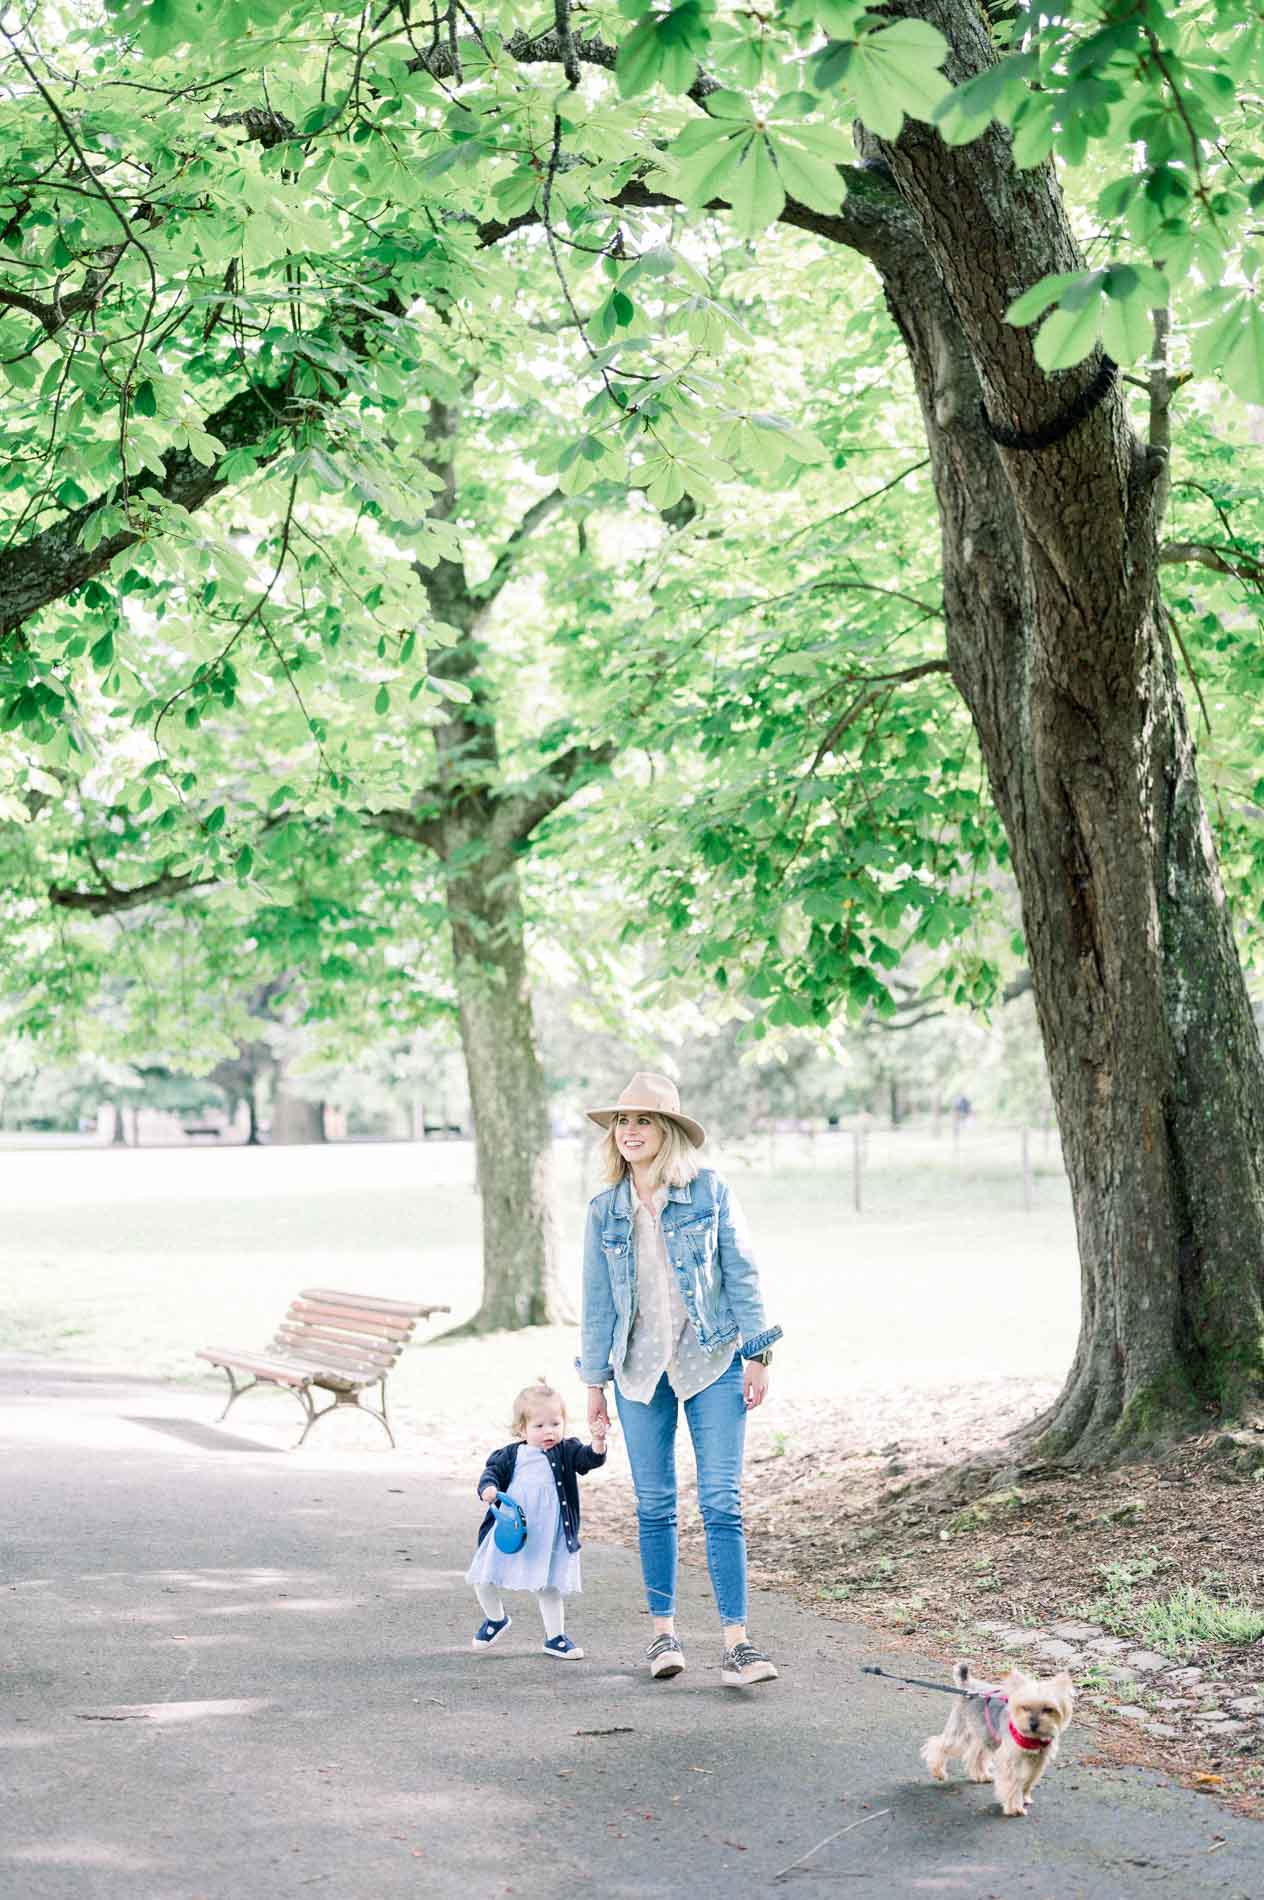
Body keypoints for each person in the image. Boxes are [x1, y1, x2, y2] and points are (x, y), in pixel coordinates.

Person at [578, 1071, 782, 1688]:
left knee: (722, 1501)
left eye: (642, 1121)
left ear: (667, 1132)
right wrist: (593, 1385)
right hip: (637, 1371)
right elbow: (596, 1305)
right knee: (655, 1505)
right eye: (622, 1122)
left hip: (714, 1360)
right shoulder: (604, 1211)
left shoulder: (709, 1193)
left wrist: (758, 1353)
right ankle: (663, 1636)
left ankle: (738, 1644)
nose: (629, 1131)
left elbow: (741, 1273)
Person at [466, 1380, 606, 1659]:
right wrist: (488, 1490)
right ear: (522, 1429)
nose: (549, 1431)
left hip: (548, 1533)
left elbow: (589, 1459)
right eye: (539, 1426)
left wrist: (599, 1441)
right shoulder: (510, 1455)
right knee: (484, 1576)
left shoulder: (567, 1451)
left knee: (548, 1585)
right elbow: (490, 1474)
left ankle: (555, 1637)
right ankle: (495, 1619)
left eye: (555, 1423)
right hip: (511, 1528)